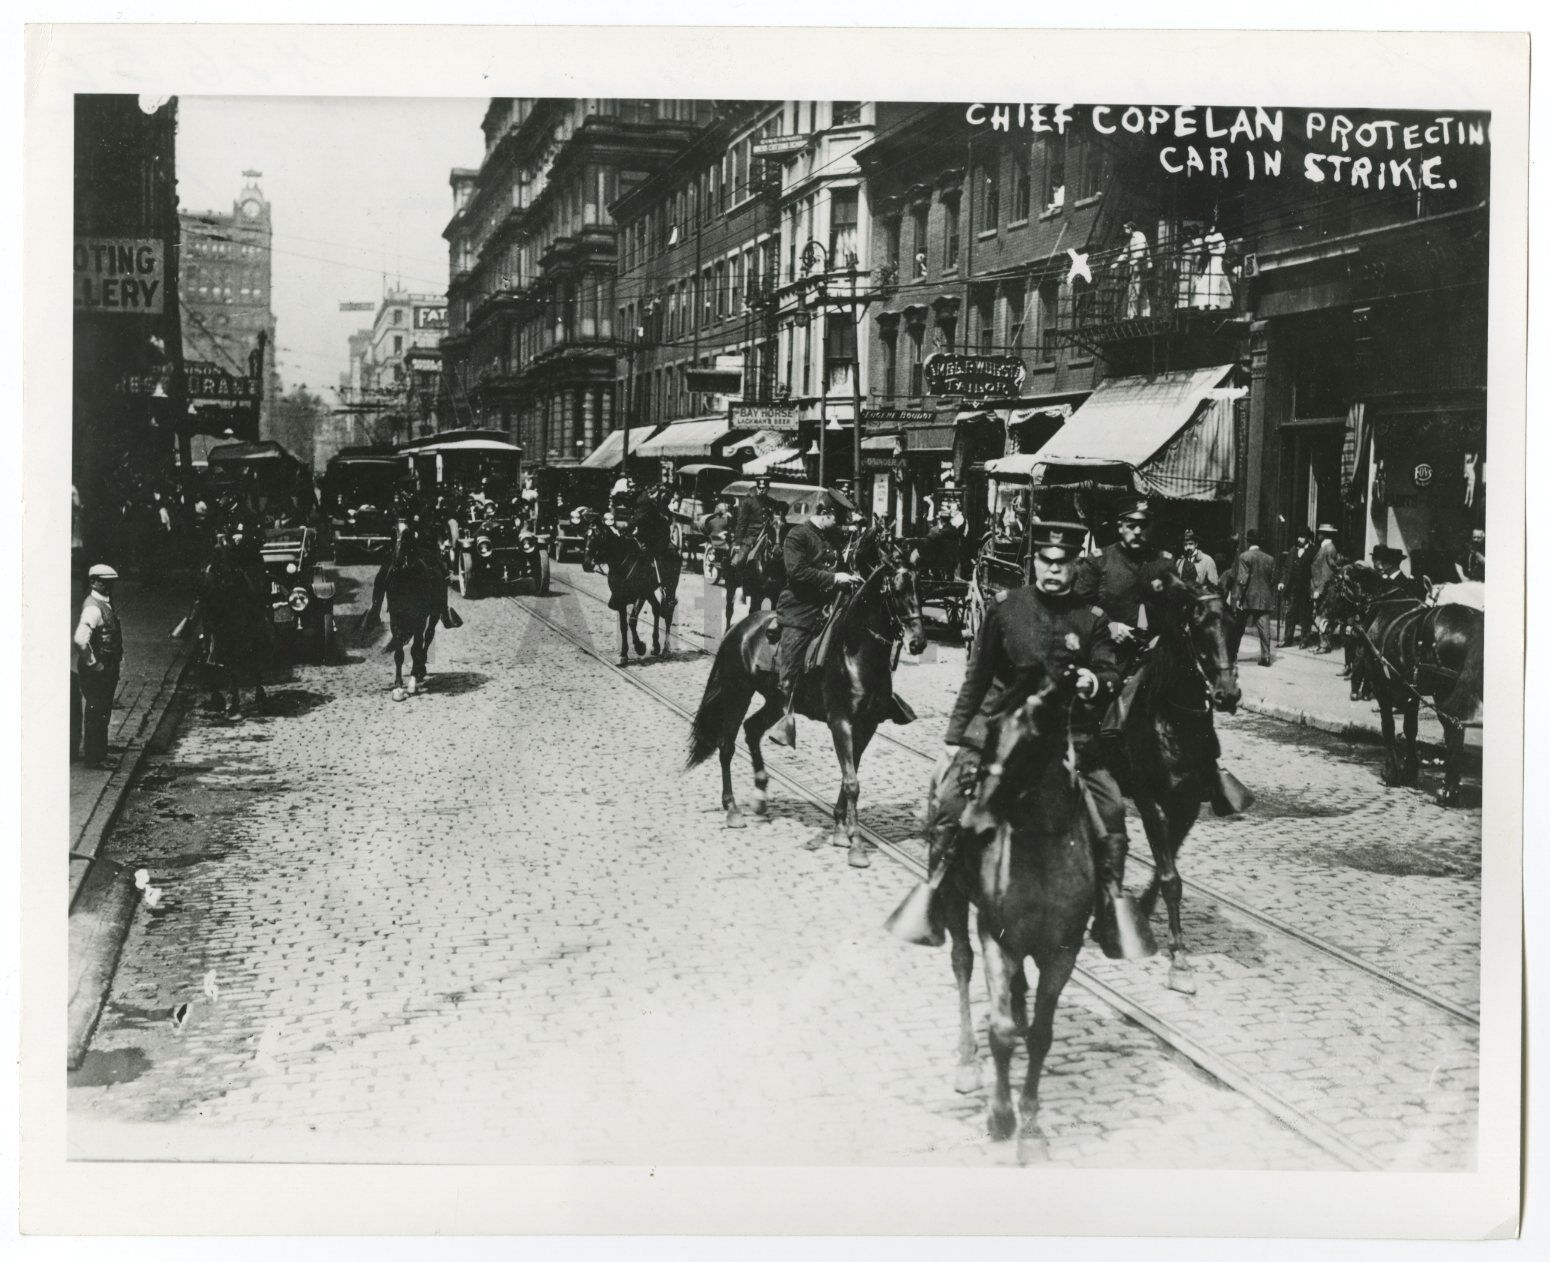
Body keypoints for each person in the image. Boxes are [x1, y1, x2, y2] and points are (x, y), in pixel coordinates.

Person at [928, 521, 1142, 959]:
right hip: (998, 735)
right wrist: (955, 738)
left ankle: (1109, 908)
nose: (1053, 570)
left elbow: (1109, 671)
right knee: (949, 805)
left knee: (1113, 810)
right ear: (1034, 561)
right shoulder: (1005, 608)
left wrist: (1094, 681)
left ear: (1074, 566)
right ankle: (934, 894)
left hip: (1071, 740)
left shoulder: (1091, 618)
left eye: (1063, 563)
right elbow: (977, 676)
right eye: (1045, 560)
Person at [768, 491, 861, 748]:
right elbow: (797, 573)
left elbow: (840, 561)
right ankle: (785, 712)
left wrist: (849, 576)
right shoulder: (797, 535)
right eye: (837, 519)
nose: (840, 525)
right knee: (794, 655)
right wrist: (834, 578)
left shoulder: (828, 535)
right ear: (823, 514)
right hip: (801, 606)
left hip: (830, 603)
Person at [1075, 497, 1172, 672]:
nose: (1137, 531)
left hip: (1154, 656)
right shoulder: (1099, 561)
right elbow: (1079, 606)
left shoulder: (1164, 563)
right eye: (1131, 525)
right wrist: (1109, 626)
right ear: (1120, 527)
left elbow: (1175, 609)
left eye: (1143, 525)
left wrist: (1163, 637)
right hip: (1109, 653)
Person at [73, 563, 123, 769]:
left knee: (102, 712)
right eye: (103, 582)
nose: (108, 586)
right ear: (93, 582)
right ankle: (94, 758)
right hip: (98, 671)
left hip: (107, 668)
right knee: (96, 712)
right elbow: (80, 639)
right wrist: (94, 664)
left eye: (110, 582)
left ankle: (99, 754)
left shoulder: (104, 603)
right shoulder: (93, 607)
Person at [1232, 530, 1277, 666]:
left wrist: (1238, 598)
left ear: (1248, 541)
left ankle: (1232, 656)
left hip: (1247, 598)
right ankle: (1266, 657)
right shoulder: (1269, 558)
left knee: (1238, 628)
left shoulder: (1244, 556)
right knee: (1264, 629)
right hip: (1264, 598)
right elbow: (1273, 579)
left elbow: (1242, 580)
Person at [731, 474, 785, 570]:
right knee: (740, 560)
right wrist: (738, 543)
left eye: (764, 489)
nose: (761, 491)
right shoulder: (748, 502)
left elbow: (779, 517)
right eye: (759, 488)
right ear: (756, 488)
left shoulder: (772, 502)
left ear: (768, 489)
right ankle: (740, 582)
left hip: (769, 534)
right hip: (752, 536)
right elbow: (742, 523)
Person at [1277, 527, 1317, 648]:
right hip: (1293, 588)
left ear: (1308, 538)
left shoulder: (1314, 551)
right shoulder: (1293, 550)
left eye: (1302, 537)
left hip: (1306, 589)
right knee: (1290, 613)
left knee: (1305, 614)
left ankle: (1304, 640)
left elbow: (1315, 571)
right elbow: (1287, 567)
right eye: (1298, 536)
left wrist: (1315, 588)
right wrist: (1282, 582)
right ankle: (1287, 639)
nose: (1299, 539)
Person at [1310, 524, 1342, 652]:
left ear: (1324, 534)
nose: (1318, 535)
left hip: (1325, 590)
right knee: (1321, 616)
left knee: (1323, 616)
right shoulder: (1327, 548)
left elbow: (1327, 572)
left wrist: (1319, 590)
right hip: (1322, 588)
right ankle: (1322, 643)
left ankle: (1324, 645)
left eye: (1320, 533)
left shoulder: (1328, 549)